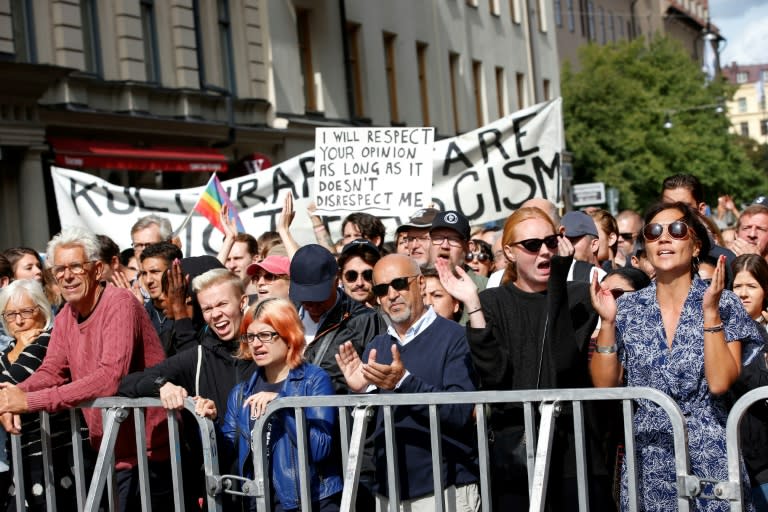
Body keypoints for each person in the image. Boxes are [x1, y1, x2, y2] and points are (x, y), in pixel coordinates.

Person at [590, 202, 762, 512]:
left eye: (677, 230)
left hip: (711, 453)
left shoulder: (724, 302)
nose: (664, 238)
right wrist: (608, 322)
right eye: (653, 233)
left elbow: (720, 382)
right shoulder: (628, 307)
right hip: (649, 454)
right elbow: (605, 386)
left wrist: (710, 313)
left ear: (696, 245)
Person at [437, 206, 611, 510]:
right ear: (509, 252)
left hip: (574, 451)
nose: (544, 252)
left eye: (550, 242)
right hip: (515, 454)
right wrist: (473, 308)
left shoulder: (581, 295)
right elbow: (496, 377)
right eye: (532, 245)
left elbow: (564, 363)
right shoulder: (491, 302)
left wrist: (558, 280)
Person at [0, 227, 171, 511]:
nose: (66, 276)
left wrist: (28, 401)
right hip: (107, 450)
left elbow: (109, 378)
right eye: (59, 269)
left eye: (75, 267)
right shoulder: (66, 315)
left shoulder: (120, 302)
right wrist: (11, 397)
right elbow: (51, 371)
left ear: (97, 269)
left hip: (149, 451)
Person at [336, 254, 479, 511]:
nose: (391, 294)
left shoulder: (455, 337)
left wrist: (403, 381)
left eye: (399, 283)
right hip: (389, 493)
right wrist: (359, 392)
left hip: (444, 490)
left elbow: (459, 413)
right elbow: (367, 429)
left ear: (421, 284)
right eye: (381, 289)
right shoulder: (378, 345)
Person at [212, 299, 342, 511]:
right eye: (251, 336)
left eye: (265, 335)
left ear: (288, 335)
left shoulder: (313, 380)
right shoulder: (241, 393)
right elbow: (225, 452)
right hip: (259, 503)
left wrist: (283, 406)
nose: (255, 344)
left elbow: (320, 449)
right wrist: (207, 422)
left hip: (311, 502)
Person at [0, 279, 85, 511]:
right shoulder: (7, 351)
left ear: (42, 309)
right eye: (10, 314)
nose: (19, 320)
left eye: (26, 311)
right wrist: (18, 350)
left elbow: (11, 381)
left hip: (56, 457)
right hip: (22, 458)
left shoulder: (48, 340)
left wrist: (20, 350)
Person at [289, 244, 385, 393]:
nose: (312, 305)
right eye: (305, 298)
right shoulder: (284, 314)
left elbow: (380, 383)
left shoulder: (365, 320)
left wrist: (361, 389)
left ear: (336, 280)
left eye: (319, 297)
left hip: (339, 414)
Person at [728, 254, 768, 508]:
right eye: (736, 286)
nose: (743, 294)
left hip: (764, 463)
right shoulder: (715, 334)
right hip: (730, 458)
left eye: (751, 286)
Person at [560, 211, 606, 283]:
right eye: (561, 242)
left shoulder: (608, 282)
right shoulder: (554, 281)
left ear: (594, 245)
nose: (566, 247)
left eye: (572, 241)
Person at [337, 239, 380, 308]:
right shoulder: (327, 315)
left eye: (368, 275)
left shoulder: (394, 315)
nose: (360, 283)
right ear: (340, 277)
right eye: (351, 275)